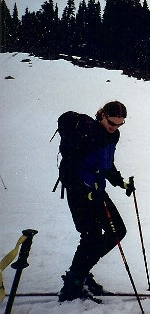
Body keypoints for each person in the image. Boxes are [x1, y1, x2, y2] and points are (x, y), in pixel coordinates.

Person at [59, 101, 134, 302]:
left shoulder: (113, 135)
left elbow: (106, 164)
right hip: (79, 191)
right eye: (112, 123)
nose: (115, 127)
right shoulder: (86, 134)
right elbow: (73, 168)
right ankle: (73, 283)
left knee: (117, 230)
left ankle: (81, 273)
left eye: (120, 124)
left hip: (97, 190)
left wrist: (121, 183)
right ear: (102, 115)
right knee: (91, 234)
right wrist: (87, 192)